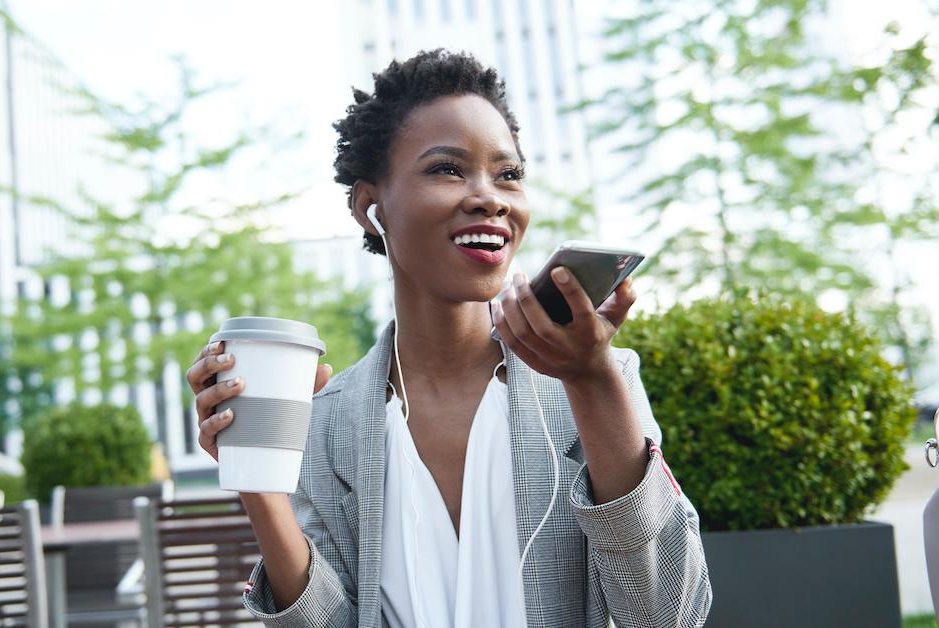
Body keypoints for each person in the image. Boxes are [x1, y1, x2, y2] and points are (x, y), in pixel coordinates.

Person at [186, 49, 711, 627]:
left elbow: (667, 615)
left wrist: (592, 378)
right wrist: (258, 477)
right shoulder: (331, 420)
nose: (489, 197)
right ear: (369, 205)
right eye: (447, 168)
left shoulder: (594, 383)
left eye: (508, 175)